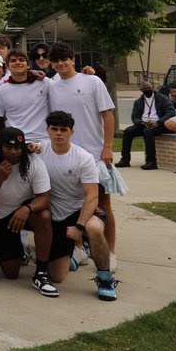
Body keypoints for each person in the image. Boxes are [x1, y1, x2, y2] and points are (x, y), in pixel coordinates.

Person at [46, 42, 118, 263]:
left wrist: (107, 147)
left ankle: (111, 252)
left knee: (103, 204)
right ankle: (78, 247)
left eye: (64, 59)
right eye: (56, 61)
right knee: (72, 203)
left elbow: (107, 115)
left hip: (95, 154)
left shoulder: (92, 81)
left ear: (73, 60)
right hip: (67, 154)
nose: (60, 64)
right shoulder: (52, 85)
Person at [0, 126, 57, 296]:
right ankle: (18, 251)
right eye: (8, 147)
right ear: (0, 147)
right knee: (11, 274)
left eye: (17, 148)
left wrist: (27, 208)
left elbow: (45, 197)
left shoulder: (33, 161)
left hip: (22, 210)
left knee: (44, 216)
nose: (14, 152)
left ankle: (41, 272)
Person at [40, 110, 117, 300]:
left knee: (95, 228)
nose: (59, 133)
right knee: (57, 277)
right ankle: (71, 256)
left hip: (81, 211)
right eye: (54, 129)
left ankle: (105, 279)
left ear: (71, 132)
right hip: (56, 216)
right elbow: (5, 144)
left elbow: (92, 196)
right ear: (47, 130)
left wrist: (79, 227)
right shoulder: (39, 150)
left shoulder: (84, 157)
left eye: (63, 129)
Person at [0, 49, 51, 145]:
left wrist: (84, 74)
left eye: (21, 60)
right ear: (7, 66)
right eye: (13, 61)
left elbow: (64, 86)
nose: (17, 63)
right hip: (16, 144)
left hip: (44, 141)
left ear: (28, 65)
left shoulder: (44, 82)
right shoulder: (0, 91)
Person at [118, 81, 176, 170]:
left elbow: (170, 112)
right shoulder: (138, 102)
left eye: (149, 88)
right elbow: (135, 117)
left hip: (160, 125)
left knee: (147, 131)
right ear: (141, 90)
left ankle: (151, 161)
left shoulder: (162, 98)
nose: (148, 90)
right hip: (144, 124)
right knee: (128, 131)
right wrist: (142, 123)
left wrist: (158, 122)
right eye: (145, 88)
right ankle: (125, 160)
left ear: (153, 88)